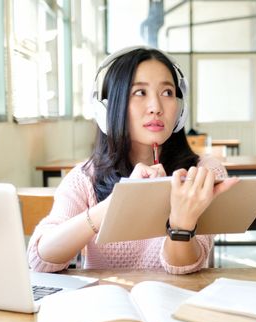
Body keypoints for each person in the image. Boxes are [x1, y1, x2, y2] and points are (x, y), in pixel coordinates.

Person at [27, 46, 238, 274]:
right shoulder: (85, 178)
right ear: (108, 108)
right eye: (140, 92)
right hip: (107, 306)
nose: (156, 108)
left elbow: (184, 267)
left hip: (175, 305)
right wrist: (117, 202)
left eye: (167, 93)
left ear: (180, 110)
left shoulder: (203, 173)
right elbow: (41, 259)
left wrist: (181, 224)